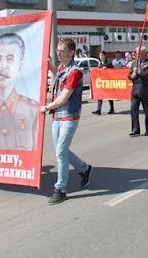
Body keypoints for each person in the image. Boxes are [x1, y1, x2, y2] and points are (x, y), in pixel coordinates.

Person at [41, 38, 92, 205]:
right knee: (61, 151)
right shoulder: (64, 68)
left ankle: (61, 188)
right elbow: (59, 76)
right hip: (57, 116)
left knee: (60, 152)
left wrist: (47, 107)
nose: (58, 53)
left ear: (71, 52)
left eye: (61, 50)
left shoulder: (75, 72)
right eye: (57, 50)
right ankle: (84, 169)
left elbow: (63, 97)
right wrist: (51, 68)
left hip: (69, 116)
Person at [128, 47, 148, 136]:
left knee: (147, 112)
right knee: (133, 110)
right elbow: (129, 75)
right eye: (136, 52)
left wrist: (139, 72)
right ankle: (135, 129)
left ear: (144, 53)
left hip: (145, 90)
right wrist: (132, 75)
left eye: (139, 52)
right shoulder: (134, 63)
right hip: (135, 91)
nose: (137, 54)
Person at [92, 51, 115, 115]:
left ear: (105, 56)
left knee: (109, 96)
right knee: (100, 95)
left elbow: (113, 72)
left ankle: (112, 109)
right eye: (100, 55)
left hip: (107, 82)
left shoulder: (109, 63)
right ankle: (98, 110)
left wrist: (107, 69)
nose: (101, 57)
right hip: (101, 82)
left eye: (102, 55)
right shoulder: (99, 64)